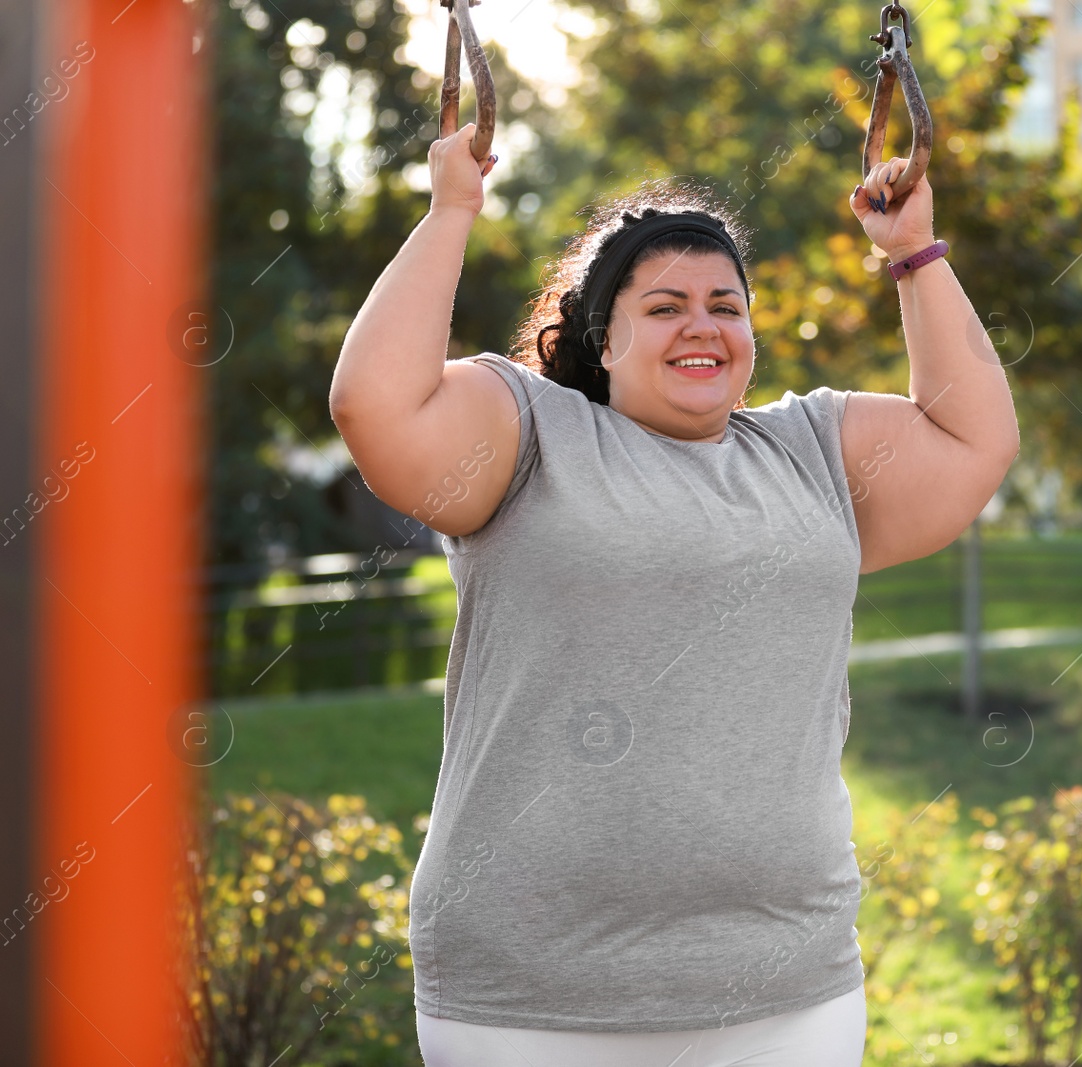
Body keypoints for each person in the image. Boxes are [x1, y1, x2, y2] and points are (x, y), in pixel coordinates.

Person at [328, 118, 1020, 1066]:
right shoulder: (531, 435)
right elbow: (376, 402)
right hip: (532, 996)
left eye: (725, 306)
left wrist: (912, 254)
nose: (703, 324)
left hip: (784, 985)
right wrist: (453, 209)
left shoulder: (810, 451)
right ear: (601, 340)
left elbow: (975, 439)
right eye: (664, 307)